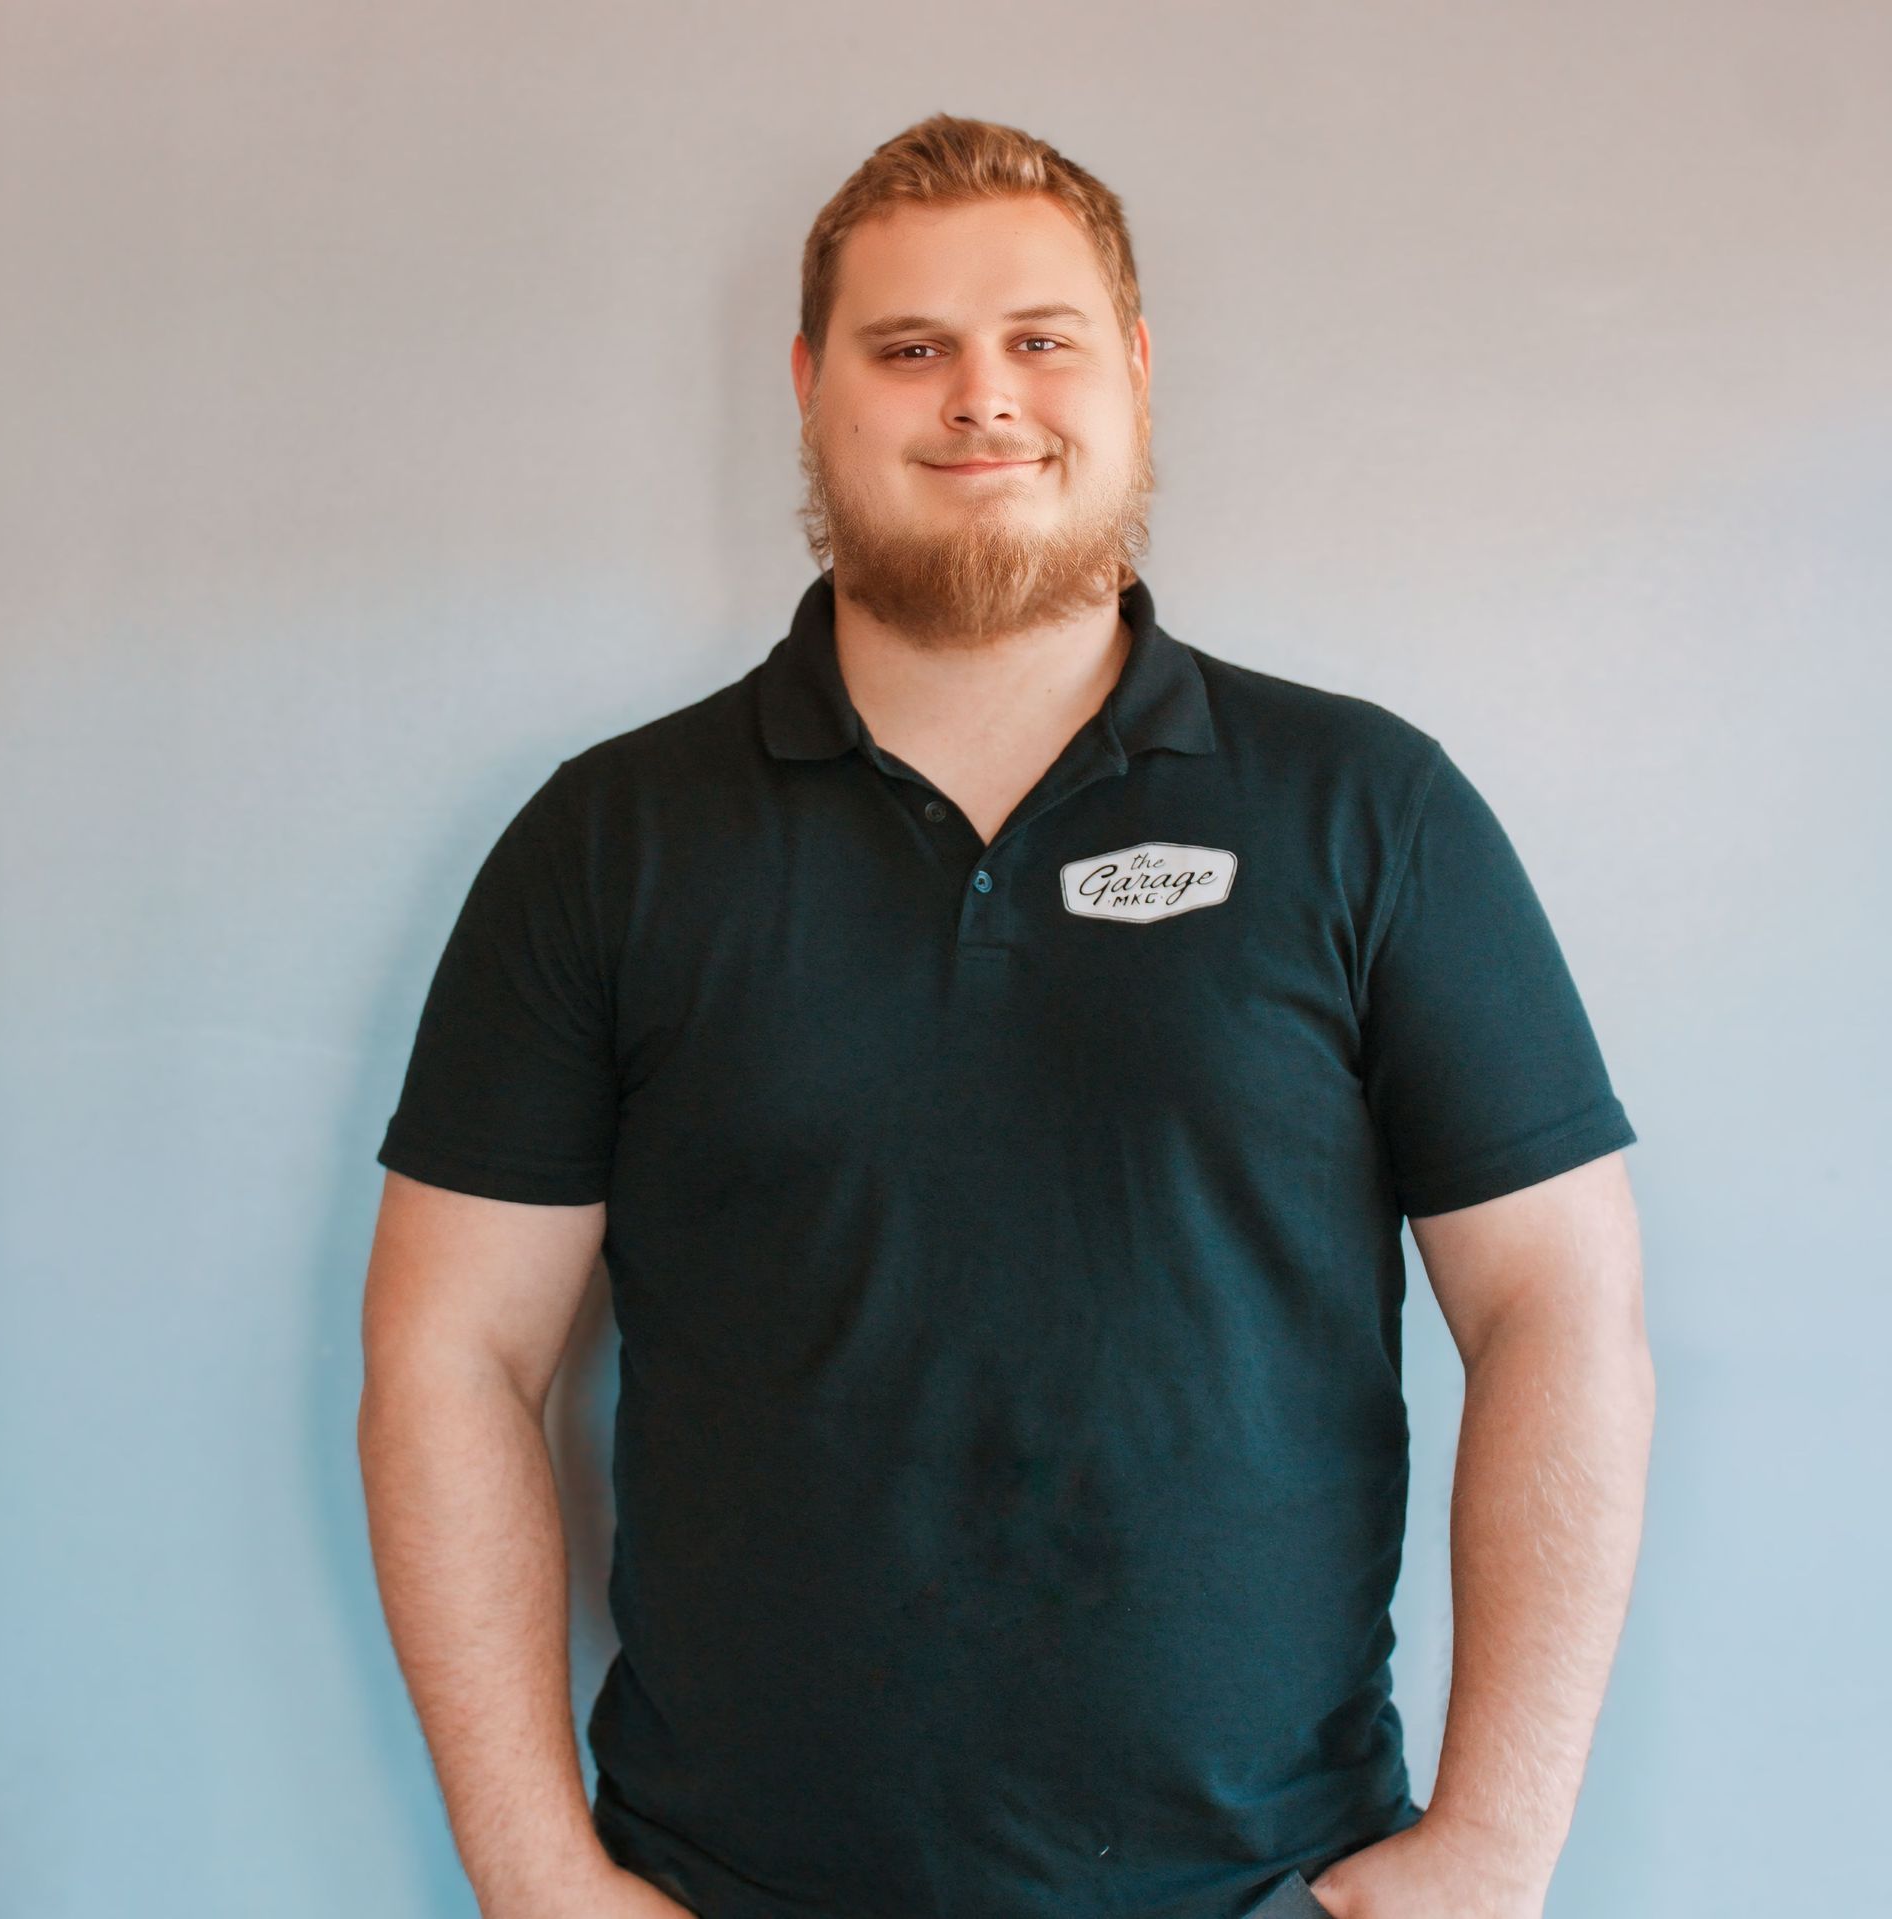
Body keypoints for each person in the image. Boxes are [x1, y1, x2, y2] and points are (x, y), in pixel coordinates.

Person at [359, 113, 1651, 1919]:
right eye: (912, 350)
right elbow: (451, 1362)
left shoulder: (1369, 811)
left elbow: (1558, 1311)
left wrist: (1498, 1854)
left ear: (1129, 370)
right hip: (727, 1886)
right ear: (814, 388)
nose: (985, 398)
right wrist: (531, 1876)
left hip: (1265, 1889)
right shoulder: (608, 843)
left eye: (1040, 340)